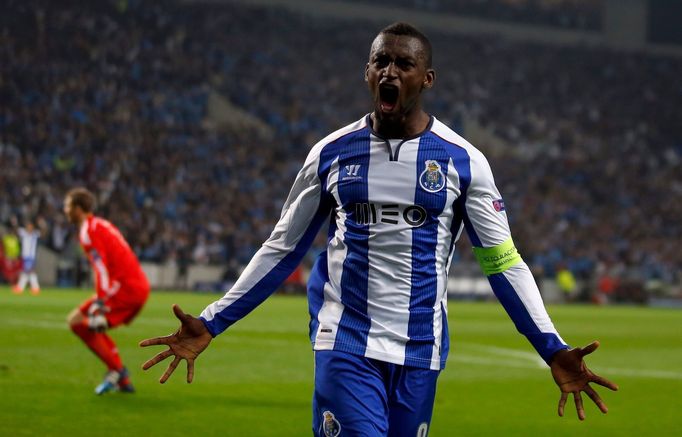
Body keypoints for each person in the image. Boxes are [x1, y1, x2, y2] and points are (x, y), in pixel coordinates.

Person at [141, 22, 618, 434]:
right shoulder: (330, 153)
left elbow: (502, 263)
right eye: (380, 61)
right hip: (344, 340)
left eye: (403, 64)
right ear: (367, 72)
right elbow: (282, 248)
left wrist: (550, 347)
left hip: (420, 352)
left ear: (426, 78)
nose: (390, 71)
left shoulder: (463, 162)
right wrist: (214, 320)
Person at [64, 187, 150, 395]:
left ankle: (119, 371)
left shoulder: (88, 231)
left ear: (78, 208)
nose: (65, 210)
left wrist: (101, 301)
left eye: (67, 206)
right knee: (76, 320)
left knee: (91, 321)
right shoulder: (101, 224)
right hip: (132, 285)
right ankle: (121, 378)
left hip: (124, 287)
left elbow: (100, 267)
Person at [13, 221, 42, 295]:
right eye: (28, 226)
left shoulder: (35, 234)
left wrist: (42, 224)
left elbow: (44, 233)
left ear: (33, 227)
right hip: (25, 256)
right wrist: (14, 223)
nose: (29, 228)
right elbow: (16, 230)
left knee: (27, 271)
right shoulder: (23, 232)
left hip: (30, 256)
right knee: (28, 271)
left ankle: (22, 287)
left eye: (30, 226)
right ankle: (34, 288)